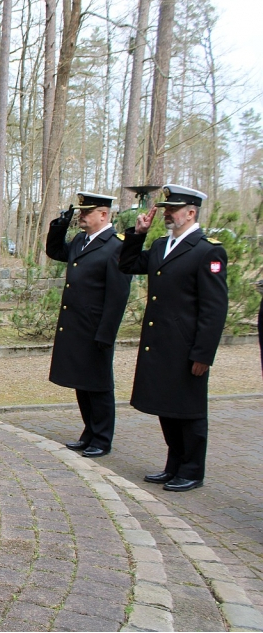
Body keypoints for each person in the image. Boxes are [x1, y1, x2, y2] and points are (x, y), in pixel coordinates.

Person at [119, 184, 228, 492]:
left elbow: (214, 309)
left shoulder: (208, 251)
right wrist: (138, 234)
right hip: (161, 343)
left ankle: (192, 471)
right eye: (166, 208)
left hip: (186, 347)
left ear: (191, 212)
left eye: (172, 209)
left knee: (189, 411)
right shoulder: (160, 246)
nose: (166, 213)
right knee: (167, 407)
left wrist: (203, 354)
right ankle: (174, 465)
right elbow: (127, 264)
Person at [45, 192, 132, 458]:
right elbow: (55, 251)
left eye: (87, 212)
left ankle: (102, 438)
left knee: (99, 384)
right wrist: (60, 224)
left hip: (96, 327)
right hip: (76, 326)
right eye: (81, 212)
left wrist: (106, 333)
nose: (82, 216)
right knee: (81, 382)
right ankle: (89, 432)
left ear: (103, 215)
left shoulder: (116, 245)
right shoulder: (81, 240)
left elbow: (118, 296)